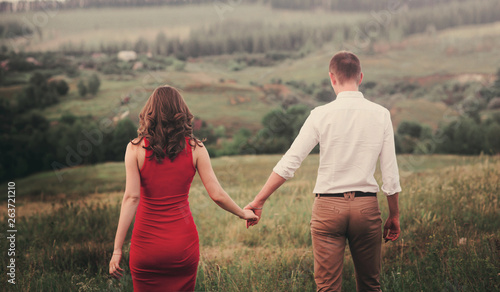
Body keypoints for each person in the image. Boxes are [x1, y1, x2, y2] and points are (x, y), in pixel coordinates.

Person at [245, 51, 402, 291]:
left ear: (332, 78)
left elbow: (290, 162)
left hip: (328, 208)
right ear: (360, 77)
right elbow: (390, 174)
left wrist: (259, 200)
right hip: (365, 208)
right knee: (371, 284)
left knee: (327, 287)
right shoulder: (381, 115)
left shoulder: (320, 114)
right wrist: (394, 215)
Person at [108, 85, 258, 291]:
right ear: (181, 113)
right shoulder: (197, 148)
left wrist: (117, 249)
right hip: (182, 248)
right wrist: (243, 213)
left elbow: (131, 198)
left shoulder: (134, 148)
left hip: (146, 248)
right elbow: (217, 194)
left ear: (149, 113)